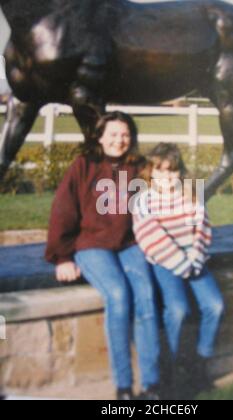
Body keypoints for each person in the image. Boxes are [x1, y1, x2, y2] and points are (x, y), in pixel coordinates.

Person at [45, 112, 160, 400]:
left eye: (125, 135)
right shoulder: (83, 166)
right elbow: (62, 211)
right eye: (113, 134)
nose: (119, 140)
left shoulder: (139, 167)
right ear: (99, 136)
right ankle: (123, 386)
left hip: (130, 244)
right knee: (119, 295)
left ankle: (152, 385)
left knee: (145, 294)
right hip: (92, 244)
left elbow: (163, 202)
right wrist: (62, 257)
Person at [133, 143, 225, 393]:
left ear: (180, 172)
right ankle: (169, 367)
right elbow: (151, 237)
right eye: (161, 172)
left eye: (172, 172)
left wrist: (195, 257)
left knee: (214, 306)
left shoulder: (190, 193)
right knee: (177, 309)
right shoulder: (144, 200)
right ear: (151, 172)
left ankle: (199, 363)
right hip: (165, 262)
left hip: (194, 260)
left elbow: (203, 228)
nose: (167, 177)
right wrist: (182, 264)